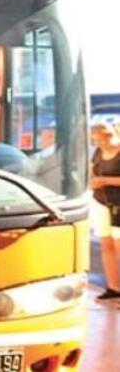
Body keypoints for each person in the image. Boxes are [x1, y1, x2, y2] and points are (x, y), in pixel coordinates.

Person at [90, 122, 120, 300]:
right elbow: (93, 170)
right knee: (106, 245)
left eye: (105, 137)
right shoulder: (98, 153)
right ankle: (113, 287)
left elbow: (103, 178)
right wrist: (92, 180)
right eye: (98, 139)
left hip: (118, 205)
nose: (102, 142)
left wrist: (105, 181)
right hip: (101, 202)